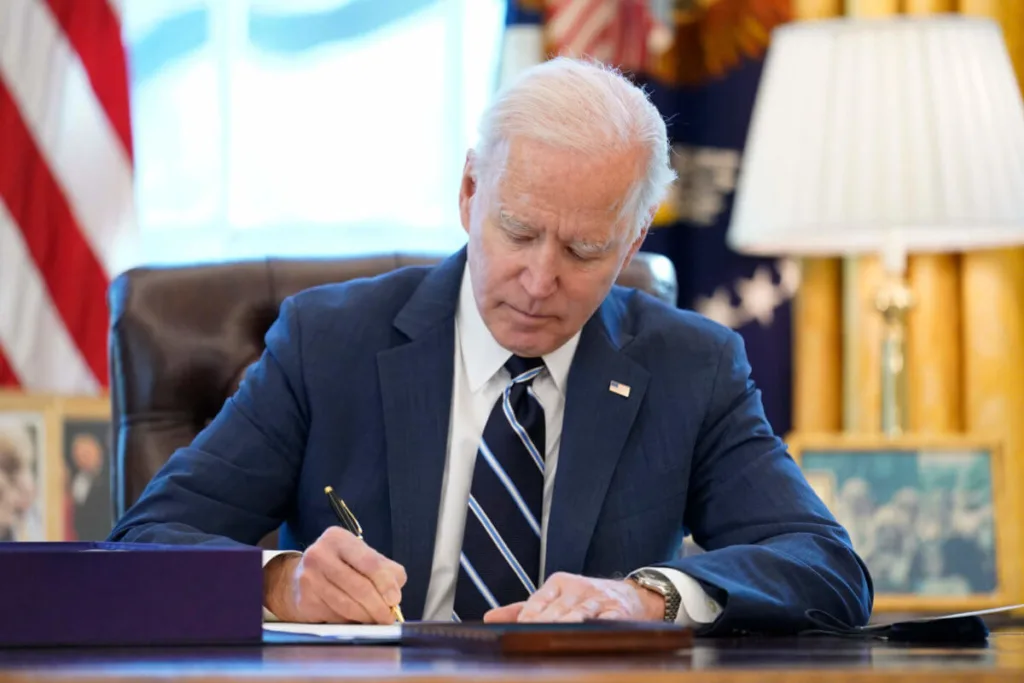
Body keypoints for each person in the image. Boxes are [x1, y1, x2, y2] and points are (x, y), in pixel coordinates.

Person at [109, 57, 873, 633]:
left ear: (634, 237)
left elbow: (825, 565)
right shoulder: (327, 341)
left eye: (583, 250)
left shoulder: (691, 367)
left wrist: (647, 595)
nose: (540, 280)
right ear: (471, 192)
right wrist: (279, 581)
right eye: (518, 230)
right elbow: (146, 542)